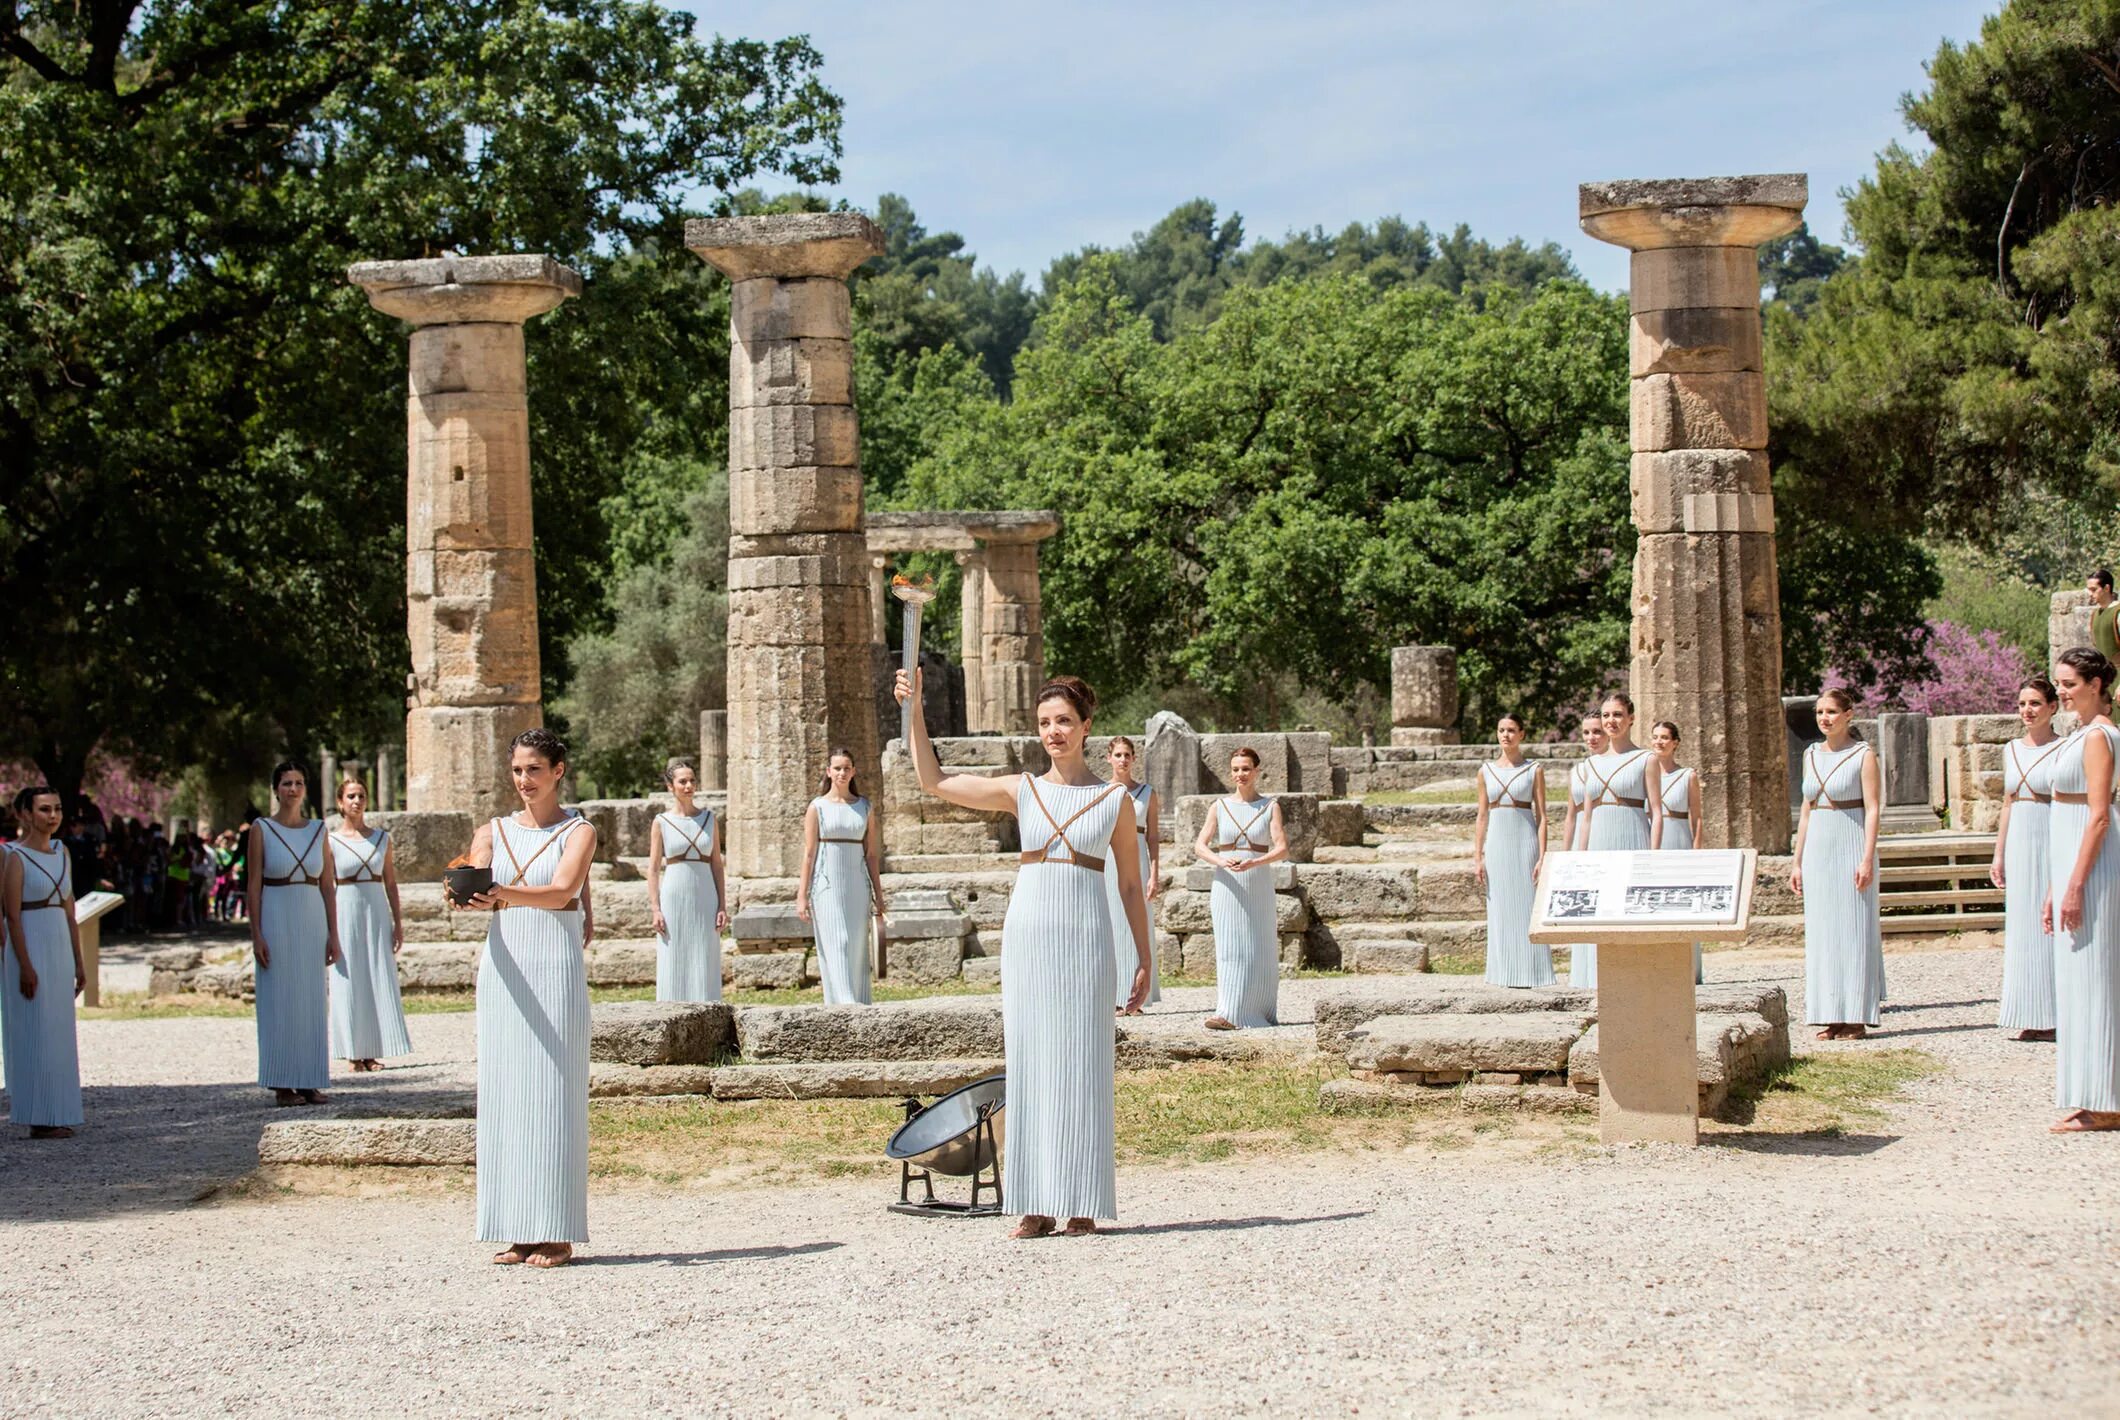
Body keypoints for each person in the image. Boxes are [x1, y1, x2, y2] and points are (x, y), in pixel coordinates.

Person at [894, 666, 1150, 1238]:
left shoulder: (1115, 800)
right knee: (1032, 1065)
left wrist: (1144, 956)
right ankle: (1034, 1202)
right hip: (1030, 934)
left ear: (1086, 727)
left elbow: (1131, 887)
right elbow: (933, 779)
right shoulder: (1022, 790)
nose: (1053, 732)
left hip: (1085, 934)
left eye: (1063, 721)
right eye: (1044, 723)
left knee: (1083, 1063)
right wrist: (914, 711)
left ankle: (1082, 1200)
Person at [463, 728, 599, 1265]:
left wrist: (500, 894)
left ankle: (557, 1228)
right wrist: (466, 889)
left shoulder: (580, 831)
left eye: (535, 769)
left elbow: (564, 890)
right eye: (518, 770)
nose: (525, 780)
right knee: (507, 1091)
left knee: (553, 1091)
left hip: (554, 964)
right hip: (504, 967)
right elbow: (474, 866)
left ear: (558, 771)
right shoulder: (492, 829)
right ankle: (517, 1225)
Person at [2043, 646, 2120, 1131]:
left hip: (2094, 868)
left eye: (2070, 683)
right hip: (2072, 864)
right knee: (2076, 981)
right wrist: (2057, 886)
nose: (2062, 691)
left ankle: (2107, 1101)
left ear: (2095, 685)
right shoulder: (2080, 734)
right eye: (2060, 683)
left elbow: (2097, 817)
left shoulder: (2100, 737)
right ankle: (2090, 1092)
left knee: (2096, 977)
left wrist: (2075, 885)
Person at [1790, 689, 1884, 1040]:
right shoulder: (1810, 754)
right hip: (1818, 847)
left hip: (1851, 842)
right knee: (1824, 933)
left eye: (1831, 712)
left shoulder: (1863, 755)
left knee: (1853, 929)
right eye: (1820, 712)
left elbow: (1873, 807)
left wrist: (1867, 856)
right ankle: (1830, 1012)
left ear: (1848, 715)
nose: (1825, 718)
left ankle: (1856, 1016)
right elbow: (1806, 809)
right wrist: (1797, 860)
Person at [245, 762, 339, 1105]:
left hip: (311, 917)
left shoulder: (319, 830)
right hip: (276, 915)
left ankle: (309, 1079)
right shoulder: (262, 829)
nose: (293, 789)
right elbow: (253, 885)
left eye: (299, 783)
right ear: (276, 789)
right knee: (279, 999)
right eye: (286, 783)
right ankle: (282, 1082)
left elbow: (328, 886)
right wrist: (257, 934)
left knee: (311, 1000)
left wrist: (334, 934)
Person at [2, 786, 85, 1138]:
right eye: (44, 810)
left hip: (59, 947)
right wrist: (25, 964)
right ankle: (39, 1116)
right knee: (33, 1029)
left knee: (58, 1031)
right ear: (24, 814)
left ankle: (60, 1110)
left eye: (57, 809)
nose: (52, 816)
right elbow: (13, 916)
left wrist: (79, 963)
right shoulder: (15, 858)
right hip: (30, 946)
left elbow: (69, 913)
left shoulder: (62, 853)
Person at [1194, 747, 1290, 1030]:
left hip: (1257, 881)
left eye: (1246, 769)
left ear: (1256, 771)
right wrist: (1221, 861)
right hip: (1227, 883)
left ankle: (1259, 1009)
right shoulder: (1219, 807)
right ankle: (1228, 1012)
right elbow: (1200, 845)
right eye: (1235, 769)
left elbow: (1282, 848)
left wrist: (1256, 862)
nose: (1240, 774)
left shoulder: (1270, 806)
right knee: (1229, 946)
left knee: (1258, 945)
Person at [1992, 678, 2061, 1042]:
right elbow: (2007, 802)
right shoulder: (2011, 749)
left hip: (2050, 836)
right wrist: (1999, 852)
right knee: (2022, 929)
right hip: (2019, 838)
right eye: (2022, 704)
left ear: (2052, 707)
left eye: (2035, 703)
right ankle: (2028, 1012)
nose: (2027, 711)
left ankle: (2053, 1014)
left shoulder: (2064, 749)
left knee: (2048, 927)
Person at [329, 777, 410, 1072]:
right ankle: (352, 1051)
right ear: (340, 802)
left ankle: (372, 1051)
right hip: (345, 907)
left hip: (375, 909)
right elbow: (327, 885)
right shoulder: (331, 841)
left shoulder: (382, 839)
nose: (356, 801)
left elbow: (391, 883)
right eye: (350, 796)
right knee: (350, 977)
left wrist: (398, 923)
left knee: (376, 974)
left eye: (361, 795)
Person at [1576, 696, 1657, 988]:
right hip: (1599, 839)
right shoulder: (1591, 763)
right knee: (1601, 908)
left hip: (1632, 836)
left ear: (1631, 718)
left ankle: (1637, 977)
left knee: (1630, 908)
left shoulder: (1646, 759)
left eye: (1618, 714)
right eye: (1607, 715)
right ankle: (1601, 978)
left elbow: (1657, 812)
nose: (1612, 721)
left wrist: (1654, 855)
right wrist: (1580, 856)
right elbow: (1586, 817)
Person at [795, 748, 884, 1005]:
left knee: (855, 946)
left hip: (857, 885)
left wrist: (879, 895)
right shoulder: (817, 807)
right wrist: (802, 895)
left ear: (853, 771)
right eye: (837, 768)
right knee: (838, 941)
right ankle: (846, 1003)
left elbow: (872, 856)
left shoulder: (865, 807)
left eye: (846, 768)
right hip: (826, 885)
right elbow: (809, 854)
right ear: (828, 772)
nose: (842, 773)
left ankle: (855, 1000)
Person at [1475, 712, 1550, 988]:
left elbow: (1541, 815)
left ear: (1522, 734)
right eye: (1501, 730)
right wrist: (1478, 856)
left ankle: (1533, 972)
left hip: (1524, 841)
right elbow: (1482, 815)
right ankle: (1502, 971)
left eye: (1511, 730)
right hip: (1497, 843)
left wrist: (1543, 856)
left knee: (1526, 904)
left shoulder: (1534, 770)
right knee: (1500, 907)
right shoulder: (1486, 771)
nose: (1505, 735)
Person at [647, 757, 728, 1003]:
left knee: (705, 952)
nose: (688, 786)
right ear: (670, 786)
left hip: (705, 894)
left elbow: (717, 864)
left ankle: (708, 1009)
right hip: (674, 893)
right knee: (675, 953)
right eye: (682, 781)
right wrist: (655, 908)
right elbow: (652, 869)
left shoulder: (709, 819)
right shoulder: (661, 822)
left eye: (692, 780)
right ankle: (671, 1010)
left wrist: (722, 904)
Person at [1104, 735, 1162, 1013]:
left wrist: (1154, 873)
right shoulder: (1100, 791)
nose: (1123, 760)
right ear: (1109, 758)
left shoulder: (1147, 793)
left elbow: (1153, 837)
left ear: (1134, 758)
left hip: (1136, 859)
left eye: (1127, 755)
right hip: (1108, 860)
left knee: (1135, 923)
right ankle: (1113, 995)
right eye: (1118, 755)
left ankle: (1136, 995)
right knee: (1113, 924)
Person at [1648, 720, 1706, 986]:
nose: (1659, 742)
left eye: (1664, 738)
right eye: (1655, 737)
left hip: (1679, 836)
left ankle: (1689, 967)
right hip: (1654, 836)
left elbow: (1697, 818)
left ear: (1675, 743)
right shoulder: (1646, 775)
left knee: (1683, 902)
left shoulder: (1687, 776)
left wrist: (1696, 851)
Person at [1558, 713, 1607, 986]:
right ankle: (1584, 972)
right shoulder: (1577, 771)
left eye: (1597, 732)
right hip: (1580, 838)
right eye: (1587, 732)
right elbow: (1570, 816)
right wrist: (1565, 854)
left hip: (1602, 833)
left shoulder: (1614, 766)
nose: (1592, 738)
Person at [2088, 568, 2120, 664]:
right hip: (2103, 673)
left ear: (2106, 588)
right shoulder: (2095, 614)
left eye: (2094, 590)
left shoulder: (2117, 612)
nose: (2090, 594)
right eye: (2088, 590)